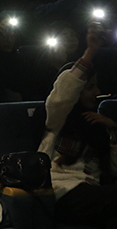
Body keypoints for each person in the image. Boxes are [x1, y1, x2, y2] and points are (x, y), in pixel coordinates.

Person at [38, 23, 117, 228]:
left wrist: (113, 130)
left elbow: (113, 170)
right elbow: (61, 96)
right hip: (64, 192)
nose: (96, 91)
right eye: (89, 87)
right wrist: (90, 51)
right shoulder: (56, 120)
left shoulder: (97, 124)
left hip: (95, 194)